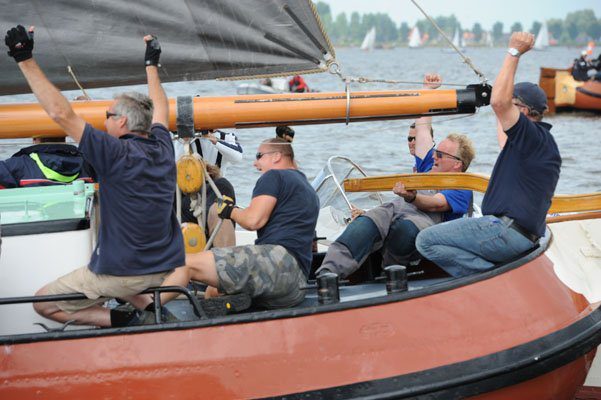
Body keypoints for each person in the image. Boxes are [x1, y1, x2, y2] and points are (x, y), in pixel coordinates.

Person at [4, 25, 185, 327]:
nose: (104, 121)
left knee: (42, 303)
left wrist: (24, 58)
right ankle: (146, 309)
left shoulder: (113, 152)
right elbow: (161, 109)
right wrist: (152, 64)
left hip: (122, 272)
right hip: (163, 267)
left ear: (122, 121)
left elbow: (62, 114)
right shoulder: (161, 147)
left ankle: (126, 322)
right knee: (126, 283)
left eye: (108, 115)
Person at [415, 32, 562, 278]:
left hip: (505, 230)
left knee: (425, 241)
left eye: (513, 103)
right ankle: (497, 277)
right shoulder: (534, 142)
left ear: (523, 111)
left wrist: (513, 52)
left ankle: (495, 279)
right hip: (518, 234)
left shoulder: (531, 136)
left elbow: (500, 105)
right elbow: (501, 113)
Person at [161, 138, 319, 309]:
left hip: (278, 264)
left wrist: (230, 210)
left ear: (277, 156)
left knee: (186, 264)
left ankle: (148, 307)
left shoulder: (274, 176)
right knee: (213, 291)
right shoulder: (308, 189)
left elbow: (253, 220)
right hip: (297, 283)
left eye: (259, 156)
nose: (255, 163)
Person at [317, 133, 475, 279]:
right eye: (435, 152)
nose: (434, 156)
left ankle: (389, 275)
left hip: (424, 220)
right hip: (395, 208)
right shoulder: (430, 167)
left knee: (405, 230)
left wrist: (412, 197)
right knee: (365, 223)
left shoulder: (462, 186)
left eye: (440, 155)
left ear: (457, 164)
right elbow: (423, 129)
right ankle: (327, 274)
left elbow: (435, 204)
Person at [0, 136, 95, 188]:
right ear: (65, 138)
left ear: (34, 139)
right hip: (82, 222)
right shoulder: (89, 165)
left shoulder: (19, 165)